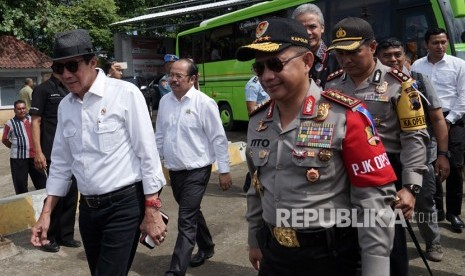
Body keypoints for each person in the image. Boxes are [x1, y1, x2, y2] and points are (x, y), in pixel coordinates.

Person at [236, 17, 397, 275]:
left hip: (329, 256)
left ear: (307, 62)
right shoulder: (258, 121)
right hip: (274, 252)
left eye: (276, 64)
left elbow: (374, 203)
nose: (267, 76)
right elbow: (257, 187)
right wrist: (254, 239)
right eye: (260, 68)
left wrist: (376, 268)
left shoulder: (346, 115)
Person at [30, 29, 167, 275]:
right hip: (89, 211)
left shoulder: (124, 94)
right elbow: (61, 164)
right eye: (59, 69)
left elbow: (148, 155)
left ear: (93, 62)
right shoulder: (65, 107)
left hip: (124, 206)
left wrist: (152, 210)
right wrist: (46, 214)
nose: (66, 75)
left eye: (72, 66)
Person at [325, 17, 429, 276]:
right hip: (344, 173)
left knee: (389, 244)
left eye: (353, 51)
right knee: (347, 240)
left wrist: (410, 187)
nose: (346, 59)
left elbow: (414, 136)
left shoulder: (399, 83)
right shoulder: (333, 83)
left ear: (372, 47)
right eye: (340, 53)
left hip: (386, 172)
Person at [155, 58, 232, 275]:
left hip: (198, 169)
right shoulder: (165, 102)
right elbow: (160, 134)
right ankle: (207, 246)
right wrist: (154, 163)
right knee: (192, 210)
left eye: (179, 76)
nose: (173, 80)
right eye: (171, 75)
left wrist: (224, 170)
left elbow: (218, 138)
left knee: (186, 217)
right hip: (175, 170)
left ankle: (176, 270)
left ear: (193, 78)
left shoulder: (204, 103)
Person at [376, 37, 449, 262]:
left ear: (405, 57)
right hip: (386, 157)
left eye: (397, 54)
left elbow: (437, 119)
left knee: (425, 200)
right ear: (378, 58)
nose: (393, 60)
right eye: (387, 56)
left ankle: (432, 241)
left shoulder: (419, 80)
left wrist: (442, 155)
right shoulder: (376, 84)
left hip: (421, 155)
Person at [411, 27, 465, 233]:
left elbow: (463, 97)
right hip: (425, 121)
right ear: (427, 44)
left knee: (454, 166)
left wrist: (449, 120)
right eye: (435, 42)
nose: (440, 46)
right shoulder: (417, 65)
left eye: (443, 42)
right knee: (429, 165)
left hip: (454, 119)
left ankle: (453, 213)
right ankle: (437, 209)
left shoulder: (459, 65)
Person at [30, 72, 81, 253]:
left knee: (71, 194)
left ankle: (65, 236)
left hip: (72, 151)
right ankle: (48, 236)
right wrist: (38, 152)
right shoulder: (42, 90)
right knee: (55, 194)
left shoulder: (70, 89)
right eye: (61, 67)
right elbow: (35, 122)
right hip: (52, 152)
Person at [2, 100, 46, 195]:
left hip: (35, 157)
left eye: (23, 108)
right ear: (14, 110)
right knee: (20, 186)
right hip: (18, 159)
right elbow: (4, 139)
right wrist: (15, 147)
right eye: (19, 109)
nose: (22, 111)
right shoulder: (10, 123)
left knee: (42, 183)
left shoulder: (32, 120)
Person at [291, 3, 340, 88]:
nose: (307, 32)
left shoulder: (337, 59)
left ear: (322, 28)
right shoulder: (290, 61)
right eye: (301, 28)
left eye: (312, 26)